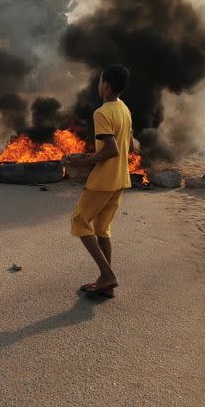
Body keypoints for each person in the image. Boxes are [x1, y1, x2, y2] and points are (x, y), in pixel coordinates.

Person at [63, 65, 133, 299]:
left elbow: (111, 150)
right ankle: (107, 283)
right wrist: (89, 156)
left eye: (101, 79)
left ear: (107, 85)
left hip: (103, 180)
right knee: (102, 228)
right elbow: (129, 146)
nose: (98, 83)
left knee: (79, 221)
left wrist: (84, 163)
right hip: (121, 178)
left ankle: (107, 274)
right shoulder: (124, 109)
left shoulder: (102, 113)